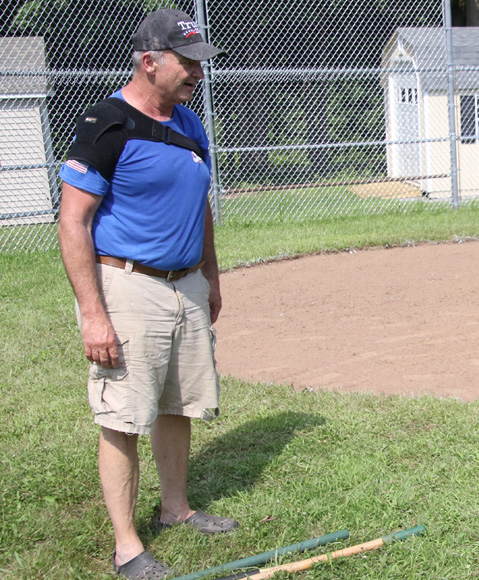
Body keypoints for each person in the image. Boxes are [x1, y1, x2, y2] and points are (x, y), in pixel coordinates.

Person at [57, 9, 237, 579]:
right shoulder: (106, 123)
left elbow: (200, 204)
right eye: (187, 63)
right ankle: (127, 547)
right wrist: (94, 314)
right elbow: (73, 221)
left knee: (178, 404)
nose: (196, 74)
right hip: (128, 286)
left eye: (199, 64)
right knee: (124, 417)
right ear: (149, 61)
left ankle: (176, 509)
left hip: (184, 285)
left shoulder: (190, 123)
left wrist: (209, 275)